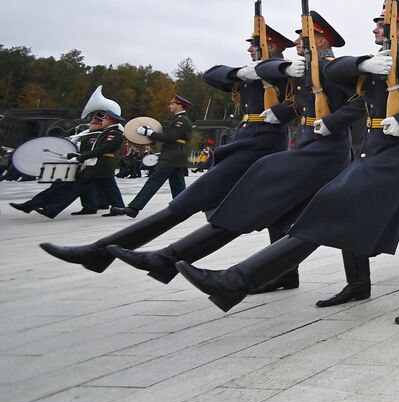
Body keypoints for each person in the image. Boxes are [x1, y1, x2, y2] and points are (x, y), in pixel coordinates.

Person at [176, 0, 399, 323]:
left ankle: (236, 281)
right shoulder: (380, 62)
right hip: (377, 153)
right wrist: (364, 65)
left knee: (328, 207)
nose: (375, 29)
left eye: (382, 25)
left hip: (396, 159)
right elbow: (331, 70)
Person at [106, 14, 360, 295]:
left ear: (321, 40)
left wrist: (357, 76)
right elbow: (298, 100)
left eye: (303, 36)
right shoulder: (299, 70)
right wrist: (282, 109)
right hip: (308, 147)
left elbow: (360, 96)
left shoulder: (329, 68)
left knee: (261, 196)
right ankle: (322, 279)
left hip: (325, 152)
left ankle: (175, 259)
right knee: (310, 216)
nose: (297, 40)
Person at [38, 28, 296, 270]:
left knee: (190, 199)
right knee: (271, 208)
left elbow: (281, 74)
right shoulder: (250, 73)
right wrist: (240, 74)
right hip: (247, 140)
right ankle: (282, 272)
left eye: (254, 45)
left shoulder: (282, 71)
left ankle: (101, 252)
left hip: (261, 143)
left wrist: (273, 73)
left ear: (269, 45)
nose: (250, 50)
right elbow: (211, 74)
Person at [13, 111, 127, 219]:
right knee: (110, 188)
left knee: (73, 188)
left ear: (111, 121)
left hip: (99, 166)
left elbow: (101, 150)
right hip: (100, 166)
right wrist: (72, 155)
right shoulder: (107, 132)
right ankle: (119, 207)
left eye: (105, 119)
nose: (103, 121)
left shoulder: (114, 134)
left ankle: (50, 209)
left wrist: (78, 158)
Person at [120, 95, 195, 215]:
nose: (170, 106)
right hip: (175, 154)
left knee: (154, 181)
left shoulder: (181, 120)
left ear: (179, 105)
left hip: (172, 155)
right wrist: (150, 132)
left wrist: (149, 133)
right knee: (177, 183)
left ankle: (134, 208)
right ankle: (183, 207)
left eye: (172, 104)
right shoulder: (178, 119)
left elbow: (169, 137)